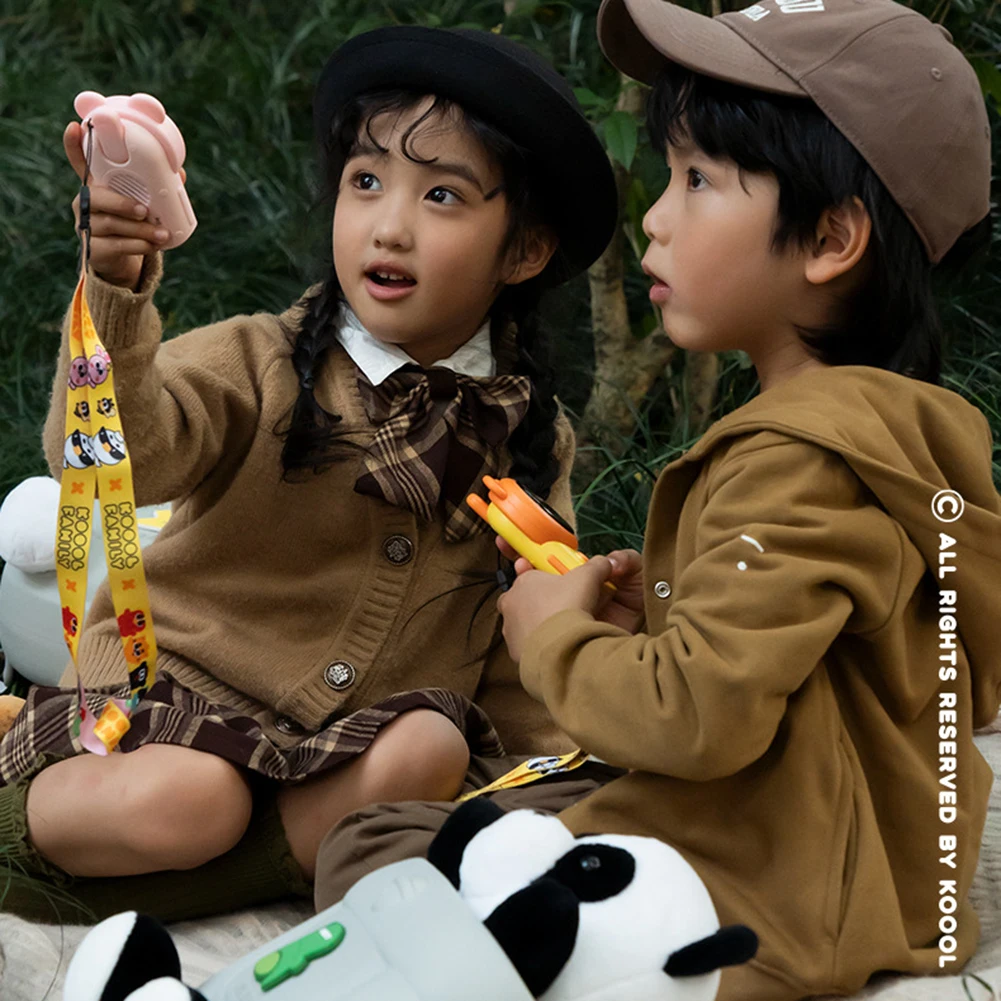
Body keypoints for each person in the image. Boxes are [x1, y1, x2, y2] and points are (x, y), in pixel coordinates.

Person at [310, 2, 1001, 998]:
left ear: (829, 238)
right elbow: (887, 678)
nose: (656, 216)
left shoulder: (796, 456)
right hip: (871, 884)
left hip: (750, 907)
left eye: (696, 181)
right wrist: (669, 617)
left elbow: (694, 720)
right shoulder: (899, 439)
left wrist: (554, 635)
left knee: (382, 840)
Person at [0, 25, 619, 923]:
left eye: (442, 194)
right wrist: (113, 282)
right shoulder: (259, 359)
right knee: (194, 798)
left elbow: (517, 632)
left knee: (431, 741)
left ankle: (251, 861)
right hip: (167, 710)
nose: (389, 224)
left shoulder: (523, 431)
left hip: (333, 748)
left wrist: (539, 779)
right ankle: (28, 841)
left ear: (522, 252)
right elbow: (111, 456)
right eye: (365, 182)